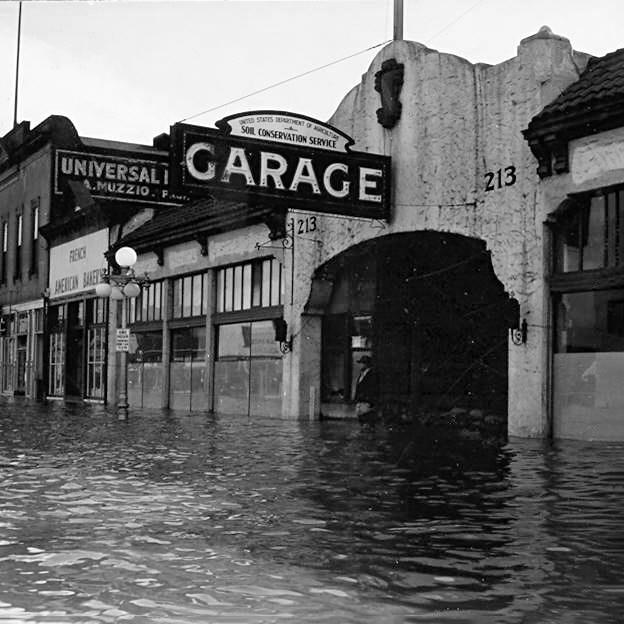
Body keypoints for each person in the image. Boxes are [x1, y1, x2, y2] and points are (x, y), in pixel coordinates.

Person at [353, 354, 378, 426]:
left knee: (367, 421)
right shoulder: (361, 374)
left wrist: (370, 402)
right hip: (360, 401)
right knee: (361, 420)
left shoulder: (372, 374)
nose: (360, 365)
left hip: (367, 402)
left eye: (362, 363)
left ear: (366, 364)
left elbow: (373, 388)